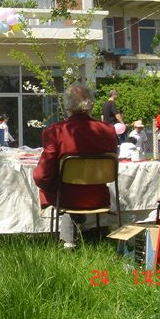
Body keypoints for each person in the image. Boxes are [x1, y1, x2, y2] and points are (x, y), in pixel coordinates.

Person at [33, 83, 117, 249]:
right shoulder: (108, 130)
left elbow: (42, 176)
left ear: (67, 106)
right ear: (91, 104)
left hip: (65, 197)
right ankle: (81, 234)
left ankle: (68, 241)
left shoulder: (55, 131)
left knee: (53, 183)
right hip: (98, 196)